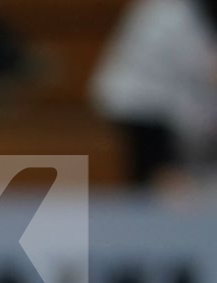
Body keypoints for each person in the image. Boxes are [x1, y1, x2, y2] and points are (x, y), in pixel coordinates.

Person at [90, 0, 217, 191]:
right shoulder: (165, 14)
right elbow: (204, 67)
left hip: (186, 110)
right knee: (164, 185)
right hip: (144, 105)